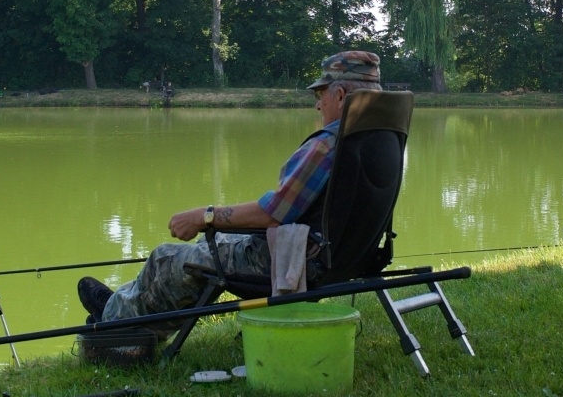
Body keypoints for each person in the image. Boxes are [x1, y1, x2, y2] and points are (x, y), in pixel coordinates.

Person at [78, 51, 382, 329]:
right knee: (212, 246)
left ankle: (114, 320)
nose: (317, 104)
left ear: (340, 96)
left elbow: (271, 213)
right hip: (347, 257)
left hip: (299, 261)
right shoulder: (380, 139)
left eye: (320, 95)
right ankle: (123, 307)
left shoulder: (327, 146)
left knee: (172, 258)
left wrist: (204, 215)